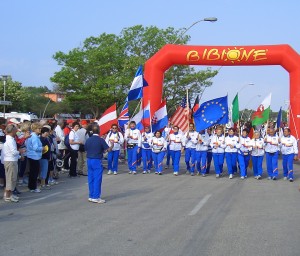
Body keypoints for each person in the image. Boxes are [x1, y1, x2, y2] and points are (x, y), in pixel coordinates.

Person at [85, 124, 113, 203]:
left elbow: (86, 148)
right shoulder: (100, 140)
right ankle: (96, 196)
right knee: (97, 178)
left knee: (91, 178)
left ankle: (91, 195)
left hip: (89, 159)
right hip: (96, 160)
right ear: (99, 131)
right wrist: (112, 145)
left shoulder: (88, 139)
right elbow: (108, 150)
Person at [1, 124, 22, 202]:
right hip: (10, 161)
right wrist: (20, 151)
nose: (16, 131)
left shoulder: (10, 139)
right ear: (12, 131)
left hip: (11, 160)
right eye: (15, 130)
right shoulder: (10, 140)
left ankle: (10, 194)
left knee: (12, 178)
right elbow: (13, 152)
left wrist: (19, 156)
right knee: (10, 178)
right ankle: (7, 196)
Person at [26, 122, 43, 193]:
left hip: (31, 155)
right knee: (34, 173)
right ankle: (33, 187)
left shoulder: (33, 136)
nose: (40, 130)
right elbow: (36, 148)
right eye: (39, 128)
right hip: (34, 156)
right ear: (35, 129)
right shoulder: (34, 137)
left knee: (32, 172)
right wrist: (43, 148)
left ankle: (31, 187)